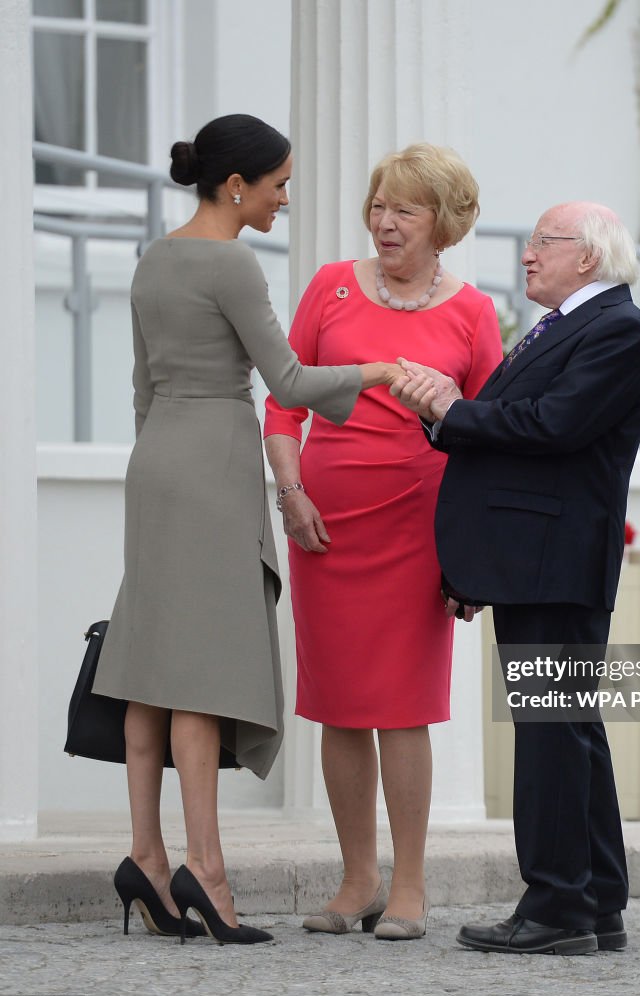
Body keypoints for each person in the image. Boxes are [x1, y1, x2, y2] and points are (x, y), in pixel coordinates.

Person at [93, 114, 402, 945]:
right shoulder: (231, 264)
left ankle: (148, 861)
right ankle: (209, 872)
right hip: (212, 465)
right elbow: (290, 379)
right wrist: (379, 369)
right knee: (198, 671)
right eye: (278, 185)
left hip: (155, 460)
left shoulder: (154, 257)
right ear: (237, 186)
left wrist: (161, 455)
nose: (284, 199)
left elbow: (141, 388)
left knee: (149, 666)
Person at [392, 201, 640, 954]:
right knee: (568, 730)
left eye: (545, 242)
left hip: (558, 563)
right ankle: (595, 898)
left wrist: (453, 411)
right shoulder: (566, 324)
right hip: (537, 560)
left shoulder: (616, 326)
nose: (528, 254)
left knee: (551, 735)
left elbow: (553, 425)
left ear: (589, 256)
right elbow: (521, 420)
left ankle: (555, 908)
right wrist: (446, 411)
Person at [263, 143, 502, 940]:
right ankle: (357, 877)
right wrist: (291, 494)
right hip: (324, 525)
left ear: (444, 222)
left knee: (402, 708)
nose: (384, 222)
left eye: (405, 209)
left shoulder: (472, 310)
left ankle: (409, 884)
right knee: (338, 705)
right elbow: (284, 405)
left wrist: (474, 547)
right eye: (378, 206)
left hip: (417, 527)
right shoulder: (330, 285)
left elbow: (488, 434)